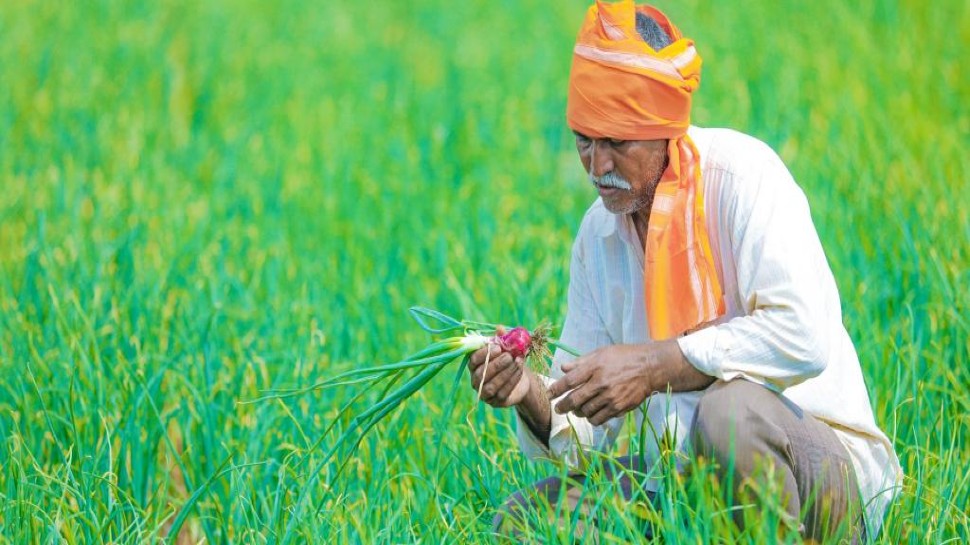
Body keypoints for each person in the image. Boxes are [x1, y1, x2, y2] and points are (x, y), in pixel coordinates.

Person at [467, 0, 902, 541]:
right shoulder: (598, 235)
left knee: (730, 415)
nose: (597, 167)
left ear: (663, 129)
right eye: (584, 140)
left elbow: (804, 338)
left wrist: (656, 366)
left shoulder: (744, 179)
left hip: (820, 486)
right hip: (681, 486)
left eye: (617, 143)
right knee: (526, 519)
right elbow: (585, 424)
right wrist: (529, 393)